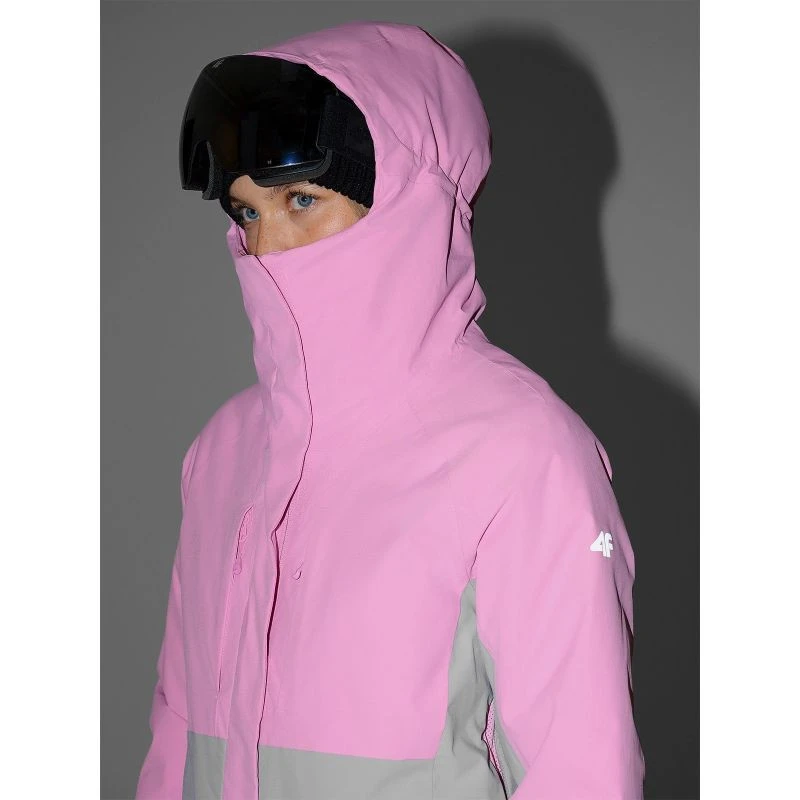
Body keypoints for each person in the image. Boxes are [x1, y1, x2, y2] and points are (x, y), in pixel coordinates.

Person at [136, 20, 646, 800]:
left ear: (413, 199)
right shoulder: (224, 450)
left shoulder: (523, 453)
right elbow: (176, 736)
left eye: (301, 199)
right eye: (247, 213)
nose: (266, 247)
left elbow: (582, 774)